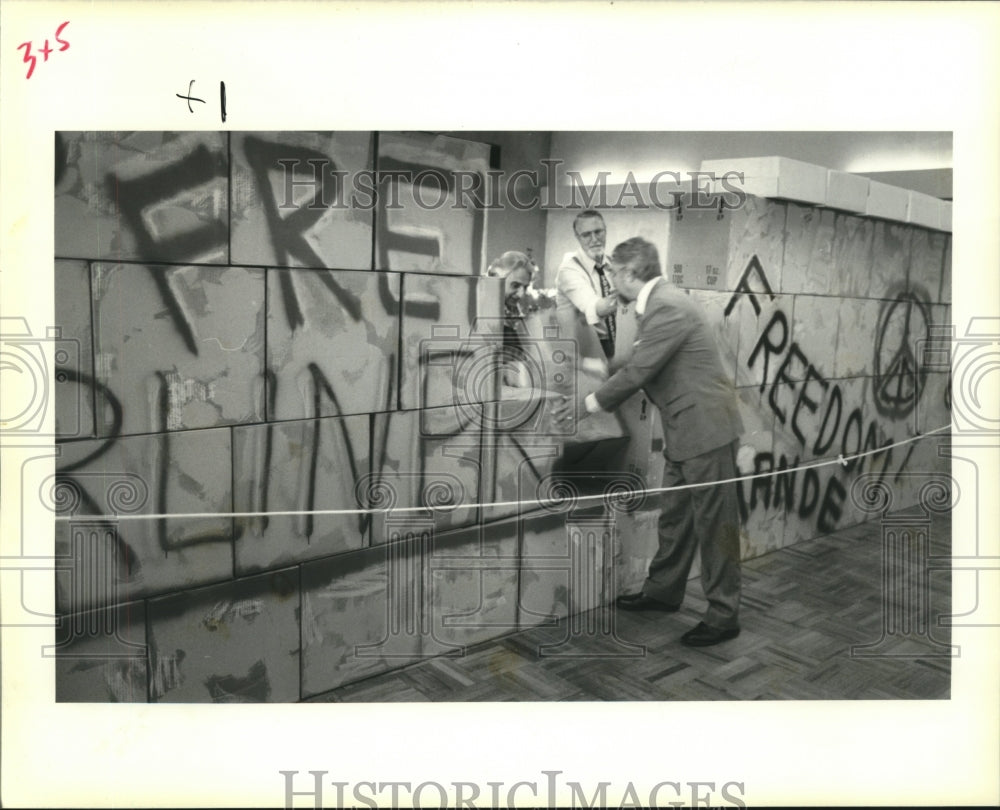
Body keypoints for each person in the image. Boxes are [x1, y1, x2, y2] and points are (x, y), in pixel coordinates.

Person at [554, 236, 744, 647]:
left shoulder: (668, 305)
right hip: (685, 429)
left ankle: (723, 615)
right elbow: (638, 359)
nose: (610, 283)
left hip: (706, 430)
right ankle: (663, 592)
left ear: (628, 273)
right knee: (676, 518)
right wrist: (594, 366)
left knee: (716, 526)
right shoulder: (659, 303)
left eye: (612, 274)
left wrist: (587, 405)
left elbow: (640, 370)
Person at [555, 210, 619, 361]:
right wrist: (629, 294)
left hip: (616, 343)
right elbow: (594, 307)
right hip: (584, 351)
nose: (594, 239)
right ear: (578, 237)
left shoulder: (613, 265)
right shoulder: (569, 270)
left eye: (598, 232)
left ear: (605, 231)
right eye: (586, 235)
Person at [485, 250, 534, 388]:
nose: (521, 294)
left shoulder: (509, 317)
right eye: (515, 285)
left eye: (525, 287)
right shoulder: (485, 315)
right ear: (496, 279)